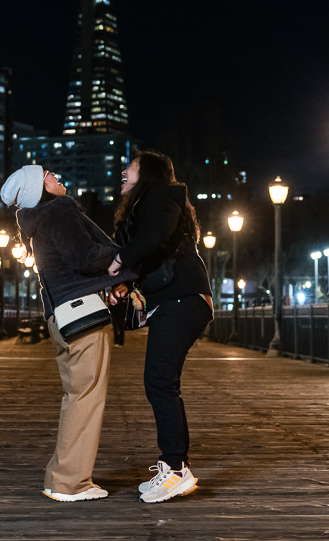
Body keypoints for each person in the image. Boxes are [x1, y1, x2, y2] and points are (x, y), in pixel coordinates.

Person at [1, 164, 133, 503]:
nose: (56, 175)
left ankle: (58, 476)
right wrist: (126, 258)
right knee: (87, 398)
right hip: (84, 318)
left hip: (61, 318)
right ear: (39, 188)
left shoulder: (37, 223)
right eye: (48, 174)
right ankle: (70, 483)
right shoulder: (59, 212)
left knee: (74, 397)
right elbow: (85, 256)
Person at [108, 151, 213, 504]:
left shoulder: (163, 195)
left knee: (159, 380)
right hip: (176, 300)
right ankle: (175, 465)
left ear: (148, 173)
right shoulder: (148, 203)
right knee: (160, 381)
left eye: (131, 167)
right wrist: (126, 282)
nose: (124, 171)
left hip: (182, 299)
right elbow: (153, 249)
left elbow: (155, 236)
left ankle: (177, 469)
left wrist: (121, 260)